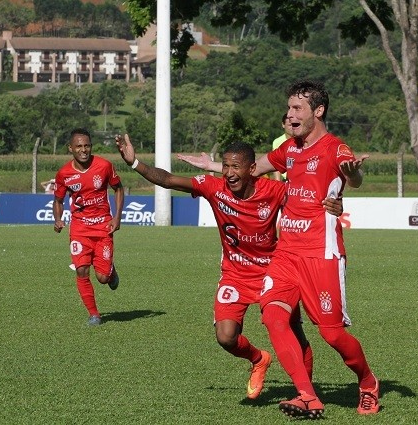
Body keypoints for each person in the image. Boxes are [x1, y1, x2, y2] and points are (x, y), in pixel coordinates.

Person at [180, 79, 379, 418]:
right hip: (286, 253)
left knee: (331, 335)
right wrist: (213, 166)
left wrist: (353, 177)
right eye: (289, 108)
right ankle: (307, 396)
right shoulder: (289, 149)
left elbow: (352, 176)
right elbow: (253, 168)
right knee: (273, 317)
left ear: (318, 111)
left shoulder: (335, 148)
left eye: (297, 108)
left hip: (321, 253)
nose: (289, 114)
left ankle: (367, 382)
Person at [116, 134, 344, 400]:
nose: (229, 173)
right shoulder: (214, 188)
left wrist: (336, 206)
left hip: (274, 272)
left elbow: (310, 204)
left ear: (251, 169)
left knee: (294, 334)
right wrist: (134, 163)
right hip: (235, 274)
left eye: (235, 167)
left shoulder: (274, 191)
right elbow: (167, 179)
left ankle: (305, 394)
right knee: (225, 337)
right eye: (225, 166)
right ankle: (259, 359)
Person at [53, 128, 124, 326]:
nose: (83, 150)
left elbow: (118, 189)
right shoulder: (64, 174)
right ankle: (94, 314)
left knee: (102, 277)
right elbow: (58, 200)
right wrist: (57, 219)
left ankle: (110, 272)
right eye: (79, 146)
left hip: (103, 227)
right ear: (70, 148)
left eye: (87, 146)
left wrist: (117, 217)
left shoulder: (104, 166)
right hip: (79, 230)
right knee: (82, 270)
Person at [271, 113, 292, 181]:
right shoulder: (277, 142)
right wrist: (277, 181)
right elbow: (275, 163)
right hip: (284, 179)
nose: (292, 127)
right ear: (283, 125)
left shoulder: (302, 140)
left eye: (294, 125)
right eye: (289, 125)